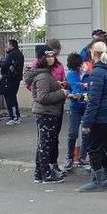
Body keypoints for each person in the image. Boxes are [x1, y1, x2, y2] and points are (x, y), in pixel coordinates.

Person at [78, 41, 107, 192]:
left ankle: (96, 181)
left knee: (94, 148)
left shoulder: (97, 72)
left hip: (101, 116)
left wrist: (86, 123)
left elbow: (94, 101)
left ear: (93, 53)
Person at [24, 46, 70, 183]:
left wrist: (58, 86)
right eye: (47, 56)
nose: (51, 59)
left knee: (44, 143)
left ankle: (39, 173)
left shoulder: (45, 73)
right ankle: (46, 175)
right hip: (46, 113)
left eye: (52, 56)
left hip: (47, 112)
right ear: (41, 59)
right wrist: (61, 93)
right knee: (45, 144)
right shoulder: (43, 75)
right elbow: (43, 97)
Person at [64, 53, 91, 170]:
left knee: (86, 132)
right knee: (72, 133)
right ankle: (70, 158)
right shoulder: (70, 74)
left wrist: (83, 95)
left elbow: (92, 90)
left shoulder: (89, 73)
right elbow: (68, 88)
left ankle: (83, 157)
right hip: (74, 107)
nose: (76, 70)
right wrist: (69, 94)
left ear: (81, 64)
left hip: (87, 106)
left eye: (77, 68)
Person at [0, 39, 24, 125]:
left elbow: (4, 66)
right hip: (16, 78)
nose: (6, 47)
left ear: (11, 46)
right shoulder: (20, 54)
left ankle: (14, 117)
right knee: (12, 97)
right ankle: (16, 116)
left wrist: (1, 64)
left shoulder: (12, 55)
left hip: (10, 79)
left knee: (10, 98)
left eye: (7, 45)